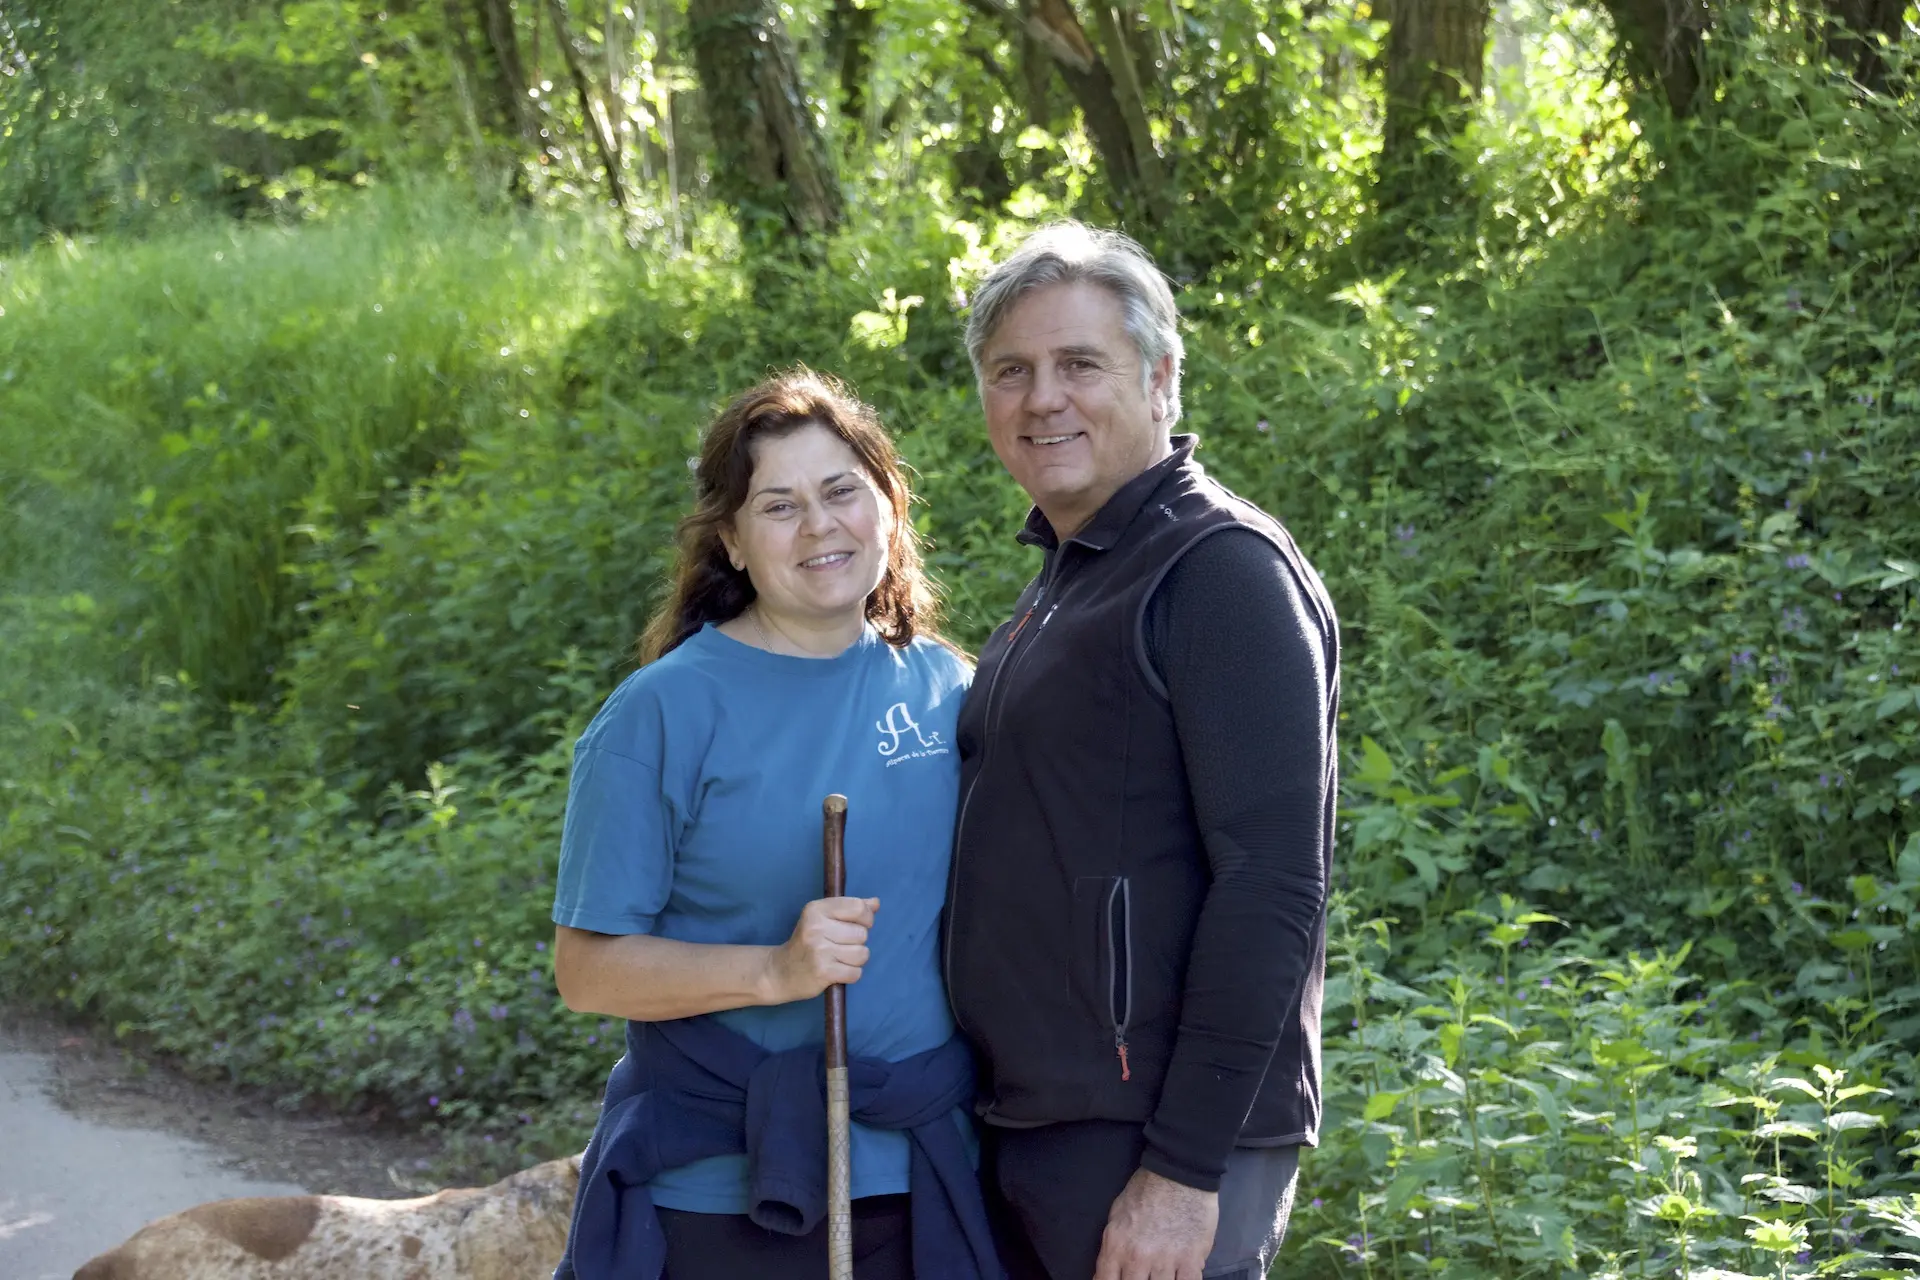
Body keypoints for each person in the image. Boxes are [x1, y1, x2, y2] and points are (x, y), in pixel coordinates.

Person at [943, 223, 1341, 1280]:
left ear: (1162, 377)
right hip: (1050, 1119)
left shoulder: (1219, 571)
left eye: (1080, 364)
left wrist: (1180, 1170)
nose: (1042, 399)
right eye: (1011, 371)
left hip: (1152, 1138)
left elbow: (1275, 885)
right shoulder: (1070, 575)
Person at [548, 369, 1001, 1280]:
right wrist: (776, 971)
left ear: (889, 506)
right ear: (735, 543)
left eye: (841, 492)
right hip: (727, 1192)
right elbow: (587, 970)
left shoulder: (950, 688)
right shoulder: (663, 713)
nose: (820, 525)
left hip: (924, 1172)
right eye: (779, 506)